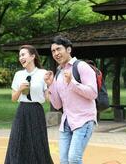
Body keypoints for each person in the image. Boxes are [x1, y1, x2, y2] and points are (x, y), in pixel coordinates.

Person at [44, 35, 97, 164]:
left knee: (74, 159)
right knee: (64, 160)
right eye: (53, 51)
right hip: (66, 121)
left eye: (58, 49)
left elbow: (93, 93)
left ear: (68, 50)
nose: (56, 53)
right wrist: (50, 85)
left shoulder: (81, 66)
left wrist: (72, 82)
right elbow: (57, 105)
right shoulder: (58, 73)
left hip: (84, 120)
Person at [5, 45, 54, 164]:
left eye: (23, 55)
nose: (21, 58)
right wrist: (20, 89)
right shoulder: (18, 75)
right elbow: (13, 98)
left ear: (32, 56)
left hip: (36, 110)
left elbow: (48, 99)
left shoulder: (43, 73)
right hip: (22, 110)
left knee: (37, 142)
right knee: (18, 140)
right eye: (19, 56)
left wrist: (51, 85)